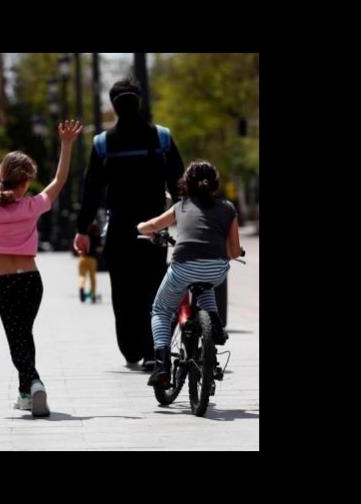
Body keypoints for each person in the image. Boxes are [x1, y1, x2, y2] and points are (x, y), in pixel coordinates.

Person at [0, 116, 83, 418]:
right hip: (32, 281)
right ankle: (26, 393)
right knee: (24, 334)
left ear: (1, 174)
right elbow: (59, 181)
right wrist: (66, 145)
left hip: (6, 283)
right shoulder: (32, 205)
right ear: (26, 182)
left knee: (18, 338)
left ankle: (34, 383)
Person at [74, 77, 185, 371]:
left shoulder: (102, 143)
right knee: (153, 289)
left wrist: (83, 229)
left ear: (113, 106)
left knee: (123, 293)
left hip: (120, 231)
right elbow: (179, 185)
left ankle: (131, 348)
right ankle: (152, 350)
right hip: (155, 229)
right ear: (140, 103)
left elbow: (91, 191)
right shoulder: (161, 138)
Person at [136, 160, 240, 388]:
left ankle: (162, 365)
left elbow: (151, 225)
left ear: (187, 183)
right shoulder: (228, 208)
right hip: (216, 271)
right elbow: (233, 252)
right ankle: (214, 323)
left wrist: (141, 227)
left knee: (161, 310)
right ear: (215, 184)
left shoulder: (180, 206)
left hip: (183, 267)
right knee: (206, 282)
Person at [78, 222, 101, 303]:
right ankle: (93, 294)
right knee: (92, 278)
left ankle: (81, 287)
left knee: (82, 276)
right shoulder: (97, 236)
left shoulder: (84, 235)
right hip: (92, 259)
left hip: (83, 258)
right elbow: (99, 248)